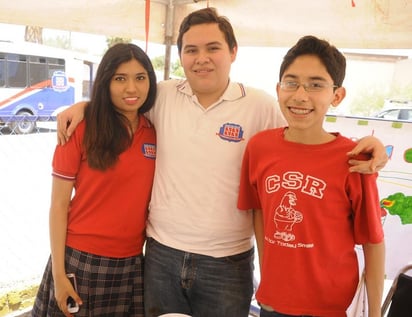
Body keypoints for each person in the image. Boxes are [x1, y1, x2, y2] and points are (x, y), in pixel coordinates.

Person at [55, 8, 388, 317]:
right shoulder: (163, 96)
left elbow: (305, 132)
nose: (202, 59)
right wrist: (84, 105)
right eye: (191, 50)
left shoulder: (261, 105)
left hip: (228, 264)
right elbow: (123, 98)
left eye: (212, 48)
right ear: (182, 56)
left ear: (233, 52)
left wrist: (370, 147)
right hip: (160, 257)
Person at [237, 35, 385, 317]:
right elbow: (258, 210)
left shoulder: (356, 159)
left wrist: (375, 313)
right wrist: (269, 272)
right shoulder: (259, 147)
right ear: (279, 89)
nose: (300, 95)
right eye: (291, 83)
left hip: (330, 306)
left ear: (337, 95)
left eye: (316, 85)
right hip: (273, 302)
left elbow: (373, 241)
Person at [31, 43, 157, 317]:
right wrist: (60, 275)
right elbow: (58, 206)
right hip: (81, 260)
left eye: (140, 78)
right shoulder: (79, 129)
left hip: (132, 263)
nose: (131, 88)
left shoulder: (153, 131)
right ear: (105, 82)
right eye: (120, 79)